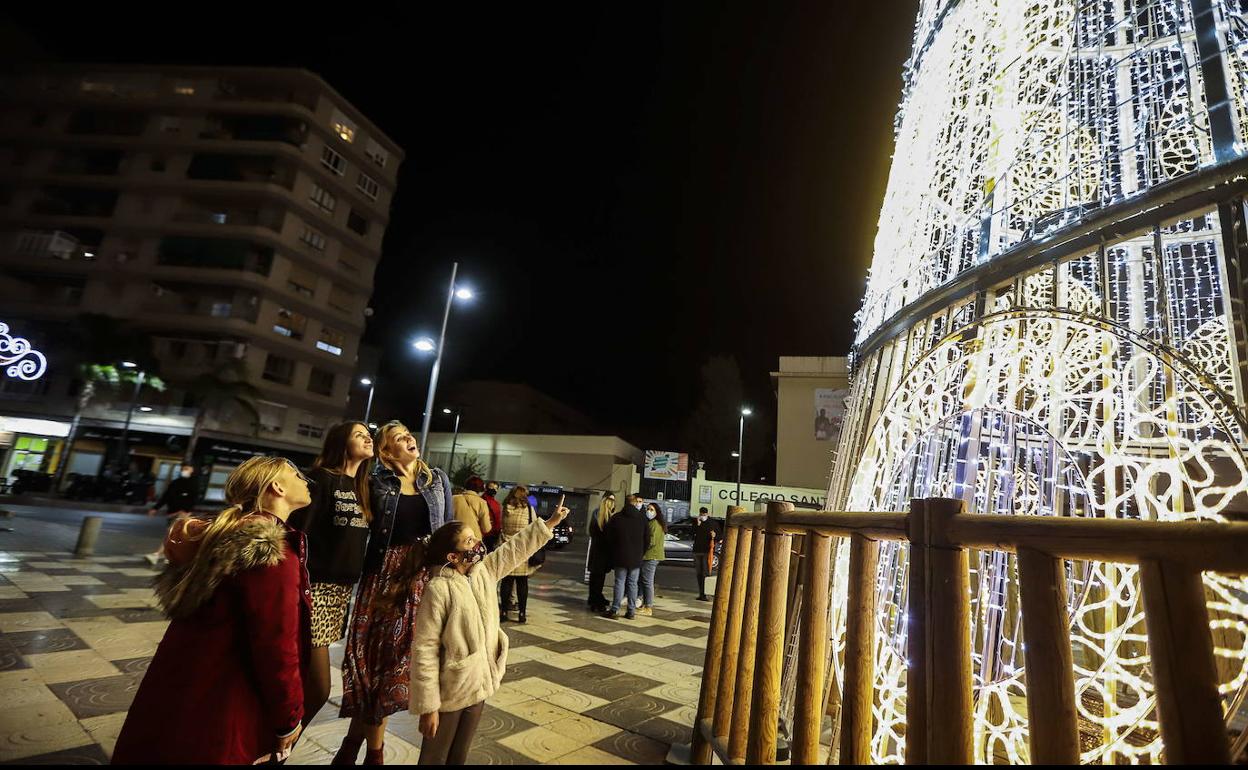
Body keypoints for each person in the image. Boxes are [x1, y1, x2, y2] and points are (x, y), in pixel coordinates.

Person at [111, 456, 312, 765]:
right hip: (225, 700)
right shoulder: (271, 555)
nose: (305, 480)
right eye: (297, 475)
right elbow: (276, 644)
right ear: (277, 487)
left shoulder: (226, 535)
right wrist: (289, 716)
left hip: (183, 688)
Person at [410, 499, 570, 764]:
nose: (477, 545)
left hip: (479, 682)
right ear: (452, 557)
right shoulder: (439, 589)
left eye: (475, 538)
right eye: (469, 542)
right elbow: (424, 649)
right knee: (434, 758)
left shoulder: (483, 571)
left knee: (459, 756)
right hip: (450, 691)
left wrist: (550, 523)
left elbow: (514, 550)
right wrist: (428, 707)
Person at [336, 421, 452, 765]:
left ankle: (363, 748)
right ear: (386, 451)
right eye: (399, 438)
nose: (409, 439)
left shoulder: (438, 480)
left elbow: (445, 531)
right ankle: (363, 749)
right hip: (382, 579)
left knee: (396, 665)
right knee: (370, 663)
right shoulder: (375, 483)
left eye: (409, 435)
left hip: (420, 582)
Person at [288, 422, 374, 729]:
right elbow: (298, 534)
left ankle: (274, 745)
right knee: (319, 688)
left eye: (369, 435)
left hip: (340, 595)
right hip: (315, 589)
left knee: (303, 684)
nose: (367, 438)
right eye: (359, 434)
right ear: (341, 442)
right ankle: (276, 748)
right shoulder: (321, 479)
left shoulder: (363, 488)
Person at [497, 485, 542, 624]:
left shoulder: (505, 508)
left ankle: (504, 611)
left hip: (507, 547)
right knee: (522, 582)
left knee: (507, 581)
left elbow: (501, 526)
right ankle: (522, 613)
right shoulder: (528, 509)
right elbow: (534, 527)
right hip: (522, 548)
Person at [603, 494, 649, 620]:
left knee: (619, 582)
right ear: (635, 503)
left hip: (620, 556)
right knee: (633, 584)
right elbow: (647, 539)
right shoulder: (642, 518)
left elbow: (609, 537)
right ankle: (631, 612)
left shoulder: (617, 517)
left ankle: (615, 609)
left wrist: (614, 550)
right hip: (636, 558)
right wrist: (641, 552)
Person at [144, 463, 200, 566]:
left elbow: (193, 499)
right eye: (183, 469)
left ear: (192, 470)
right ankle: (171, 555)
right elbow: (166, 497)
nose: (185, 471)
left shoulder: (193, 484)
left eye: (187, 469)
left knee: (171, 533)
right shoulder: (175, 483)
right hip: (171, 512)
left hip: (183, 513)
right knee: (175, 535)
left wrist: (186, 510)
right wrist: (155, 508)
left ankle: (157, 554)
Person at [585, 493, 616, 612]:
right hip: (603, 554)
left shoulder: (596, 515)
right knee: (599, 579)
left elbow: (592, 532)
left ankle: (593, 599)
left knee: (594, 578)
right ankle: (596, 601)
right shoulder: (607, 518)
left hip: (595, 552)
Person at [638, 502, 666, 616]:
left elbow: (651, 541)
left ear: (657, 512)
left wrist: (642, 549)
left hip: (651, 556)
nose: (649, 511)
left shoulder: (654, 524)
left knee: (647, 582)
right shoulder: (656, 523)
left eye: (651, 509)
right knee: (645, 581)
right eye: (648, 509)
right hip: (652, 556)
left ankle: (648, 607)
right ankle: (645, 605)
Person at [451, 476, 492, 541]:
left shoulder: (453, 499)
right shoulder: (482, 503)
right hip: (473, 539)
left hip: (455, 537)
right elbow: (486, 528)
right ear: (480, 489)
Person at [692, 506, 718, 601]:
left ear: (707, 514)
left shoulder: (712, 523)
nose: (702, 516)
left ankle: (707, 593)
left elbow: (719, 535)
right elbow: (692, 533)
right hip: (697, 550)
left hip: (707, 550)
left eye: (704, 514)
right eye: (701, 514)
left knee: (706, 573)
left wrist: (715, 536)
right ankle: (701, 593)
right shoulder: (697, 522)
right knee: (699, 573)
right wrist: (697, 524)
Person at [481, 480, 503, 551]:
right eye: (491, 487)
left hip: (489, 534)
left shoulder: (496, 503)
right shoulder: (481, 501)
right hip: (487, 534)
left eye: (495, 488)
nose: (493, 490)